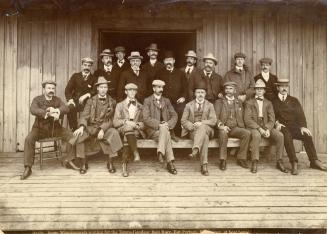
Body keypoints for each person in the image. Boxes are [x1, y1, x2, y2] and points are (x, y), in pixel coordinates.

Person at [21, 80, 75, 180]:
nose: (51, 90)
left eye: (53, 88)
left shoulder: (57, 100)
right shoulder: (37, 99)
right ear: (44, 89)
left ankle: (69, 160)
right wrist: (47, 112)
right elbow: (33, 109)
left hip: (55, 128)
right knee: (28, 139)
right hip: (39, 128)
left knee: (72, 136)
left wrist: (57, 110)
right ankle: (28, 167)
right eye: (49, 88)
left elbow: (66, 108)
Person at [272, 79, 327, 175]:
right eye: (282, 86)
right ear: (277, 88)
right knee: (287, 136)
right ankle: (294, 162)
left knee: (307, 135)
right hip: (282, 127)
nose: (284, 88)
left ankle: (314, 161)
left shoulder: (294, 100)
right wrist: (276, 123)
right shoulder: (273, 101)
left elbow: (300, 115)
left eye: (286, 86)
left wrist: (302, 126)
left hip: (294, 127)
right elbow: (271, 115)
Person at [69, 76, 123, 174]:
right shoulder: (90, 101)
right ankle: (83, 162)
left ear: (107, 89)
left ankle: (110, 162)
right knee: (79, 135)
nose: (103, 90)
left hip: (105, 127)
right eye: (101, 87)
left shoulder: (112, 101)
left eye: (105, 87)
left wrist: (102, 129)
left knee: (114, 133)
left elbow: (111, 119)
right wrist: (81, 127)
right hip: (91, 127)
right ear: (97, 88)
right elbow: (84, 116)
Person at [244, 79, 287, 173]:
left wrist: (267, 128)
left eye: (261, 89)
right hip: (254, 126)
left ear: (264, 91)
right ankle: (254, 161)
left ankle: (279, 161)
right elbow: (247, 119)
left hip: (266, 125)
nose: (259, 91)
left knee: (280, 136)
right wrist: (259, 128)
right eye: (257, 89)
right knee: (256, 135)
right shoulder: (249, 102)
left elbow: (272, 119)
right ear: (255, 90)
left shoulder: (268, 103)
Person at [143, 80, 178, 175]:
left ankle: (161, 152)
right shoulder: (147, 101)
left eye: (162, 87)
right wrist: (159, 124)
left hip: (165, 129)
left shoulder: (166, 101)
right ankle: (170, 163)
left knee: (164, 131)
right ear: (153, 88)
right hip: (153, 130)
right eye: (158, 87)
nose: (160, 89)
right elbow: (146, 118)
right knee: (165, 132)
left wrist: (167, 124)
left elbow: (174, 115)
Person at [214, 81, 251, 170]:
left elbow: (243, 116)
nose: (228, 91)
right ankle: (223, 160)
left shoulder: (239, 102)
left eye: (230, 89)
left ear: (235, 91)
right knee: (223, 133)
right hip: (223, 127)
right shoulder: (219, 102)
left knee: (247, 133)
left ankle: (241, 158)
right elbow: (215, 117)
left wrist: (242, 126)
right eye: (226, 89)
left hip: (235, 128)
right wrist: (221, 126)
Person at [181, 85, 217, 176]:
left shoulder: (210, 105)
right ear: (195, 94)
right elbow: (183, 120)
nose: (200, 94)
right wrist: (193, 126)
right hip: (194, 131)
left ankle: (195, 150)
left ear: (205, 94)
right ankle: (204, 165)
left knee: (203, 128)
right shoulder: (189, 105)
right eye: (198, 92)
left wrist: (201, 123)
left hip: (208, 129)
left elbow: (213, 121)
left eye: (202, 92)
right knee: (204, 138)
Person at [113, 83, 146, 177]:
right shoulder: (120, 105)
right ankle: (135, 153)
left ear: (136, 92)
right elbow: (115, 122)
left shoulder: (141, 106)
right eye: (130, 90)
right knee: (127, 129)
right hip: (122, 129)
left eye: (134, 90)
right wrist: (126, 122)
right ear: (125, 92)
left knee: (127, 135)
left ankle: (124, 165)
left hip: (135, 131)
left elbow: (144, 122)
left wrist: (138, 125)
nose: (132, 92)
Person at [157, 51, 188, 137]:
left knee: (181, 109)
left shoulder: (180, 73)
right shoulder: (159, 73)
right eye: (167, 60)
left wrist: (183, 97)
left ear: (174, 61)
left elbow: (185, 88)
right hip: (163, 101)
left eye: (170, 60)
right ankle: (167, 134)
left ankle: (178, 134)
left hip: (176, 101)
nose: (168, 62)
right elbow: (155, 88)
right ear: (164, 62)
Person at [65, 57, 96, 130]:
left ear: (91, 67)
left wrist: (87, 95)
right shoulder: (75, 76)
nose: (86, 67)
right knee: (70, 108)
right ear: (82, 66)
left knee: (91, 110)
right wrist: (70, 100)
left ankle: (86, 130)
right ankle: (74, 129)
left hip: (88, 102)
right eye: (85, 65)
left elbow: (95, 91)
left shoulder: (94, 78)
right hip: (75, 100)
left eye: (88, 66)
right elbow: (67, 90)